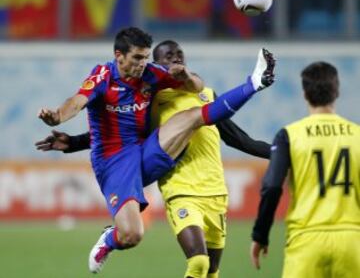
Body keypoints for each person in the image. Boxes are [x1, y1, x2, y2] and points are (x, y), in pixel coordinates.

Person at [38, 27, 275, 274]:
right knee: (132, 235)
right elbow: (77, 102)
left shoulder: (152, 75)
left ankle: (254, 83)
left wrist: (185, 76)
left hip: (146, 150)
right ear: (119, 56)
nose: (143, 64)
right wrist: (57, 117)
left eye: (145, 57)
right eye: (137, 58)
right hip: (114, 163)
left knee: (191, 117)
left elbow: (197, 86)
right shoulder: (103, 77)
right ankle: (111, 238)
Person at [250, 62, 360, 278]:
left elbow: (272, 187)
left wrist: (260, 235)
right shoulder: (357, 135)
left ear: (304, 94)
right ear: (336, 91)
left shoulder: (289, 135)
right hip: (352, 242)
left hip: (306, 240)